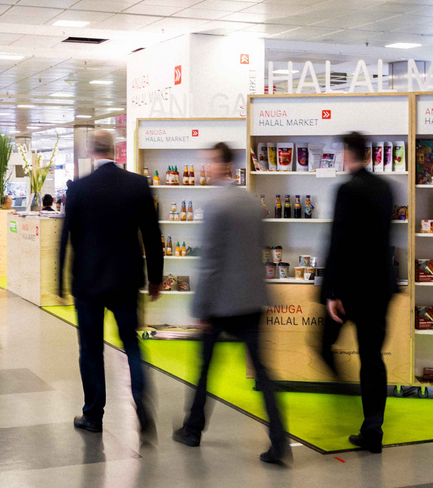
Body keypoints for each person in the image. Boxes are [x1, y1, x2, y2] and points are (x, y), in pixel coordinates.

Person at [173, 143, 289, 465]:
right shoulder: (252, 203)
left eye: (208, 162)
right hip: (252, 300)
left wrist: (200, 308)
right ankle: (279, 442)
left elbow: (210, 262)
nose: (205, 168)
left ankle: (193, 429)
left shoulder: (216, 206)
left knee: (205, 367)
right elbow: (258, 251)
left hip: (221, 305)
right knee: (264, 373)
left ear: (221, 164)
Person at [59, 130, 163, 436]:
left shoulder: (78, 188)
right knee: (130, 342)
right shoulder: (137, 184)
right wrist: (156, 278)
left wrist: (62, 282)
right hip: (126, 280)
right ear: (116, 151)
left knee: (90, 350)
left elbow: (65, 237)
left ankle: (93, 415)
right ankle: (141, 400)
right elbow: (153, 237)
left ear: (92, 152)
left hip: (88, 283)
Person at [319, 131, 395, 454]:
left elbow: (338, 242)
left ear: (346, 154)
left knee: (323, 344)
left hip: (351, 290)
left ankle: (345, 393)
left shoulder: (346, 191)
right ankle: (373, 428)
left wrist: (331, 291)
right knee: (373, 358)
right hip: (380, 287)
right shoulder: (386, 188)